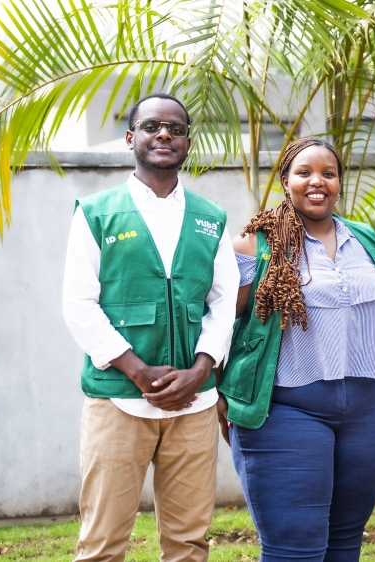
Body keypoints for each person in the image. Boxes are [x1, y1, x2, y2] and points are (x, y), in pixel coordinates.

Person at [62, 93, 238, 562]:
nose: (164, 135)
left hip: (194, 404)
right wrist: (140, 372)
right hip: (118, 400)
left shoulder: (210, 218)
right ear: (131, 137)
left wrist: (200, 372)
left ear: (187, 142)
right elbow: (78, 304)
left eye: (176, 129)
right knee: (101, 545)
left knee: (188, 544)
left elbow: (223, 304)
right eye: (152, 126)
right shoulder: (96, 213)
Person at [217, 137, 375, 562]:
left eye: (329, 173)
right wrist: (220, 391)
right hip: (286, 409)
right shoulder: (255, 244)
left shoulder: (365, 239)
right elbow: (219, 323)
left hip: (369, 409)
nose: (317, 182)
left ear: (340, 182)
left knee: (345, 543)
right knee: (294, 549)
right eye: (304, 173)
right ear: (286, 181)